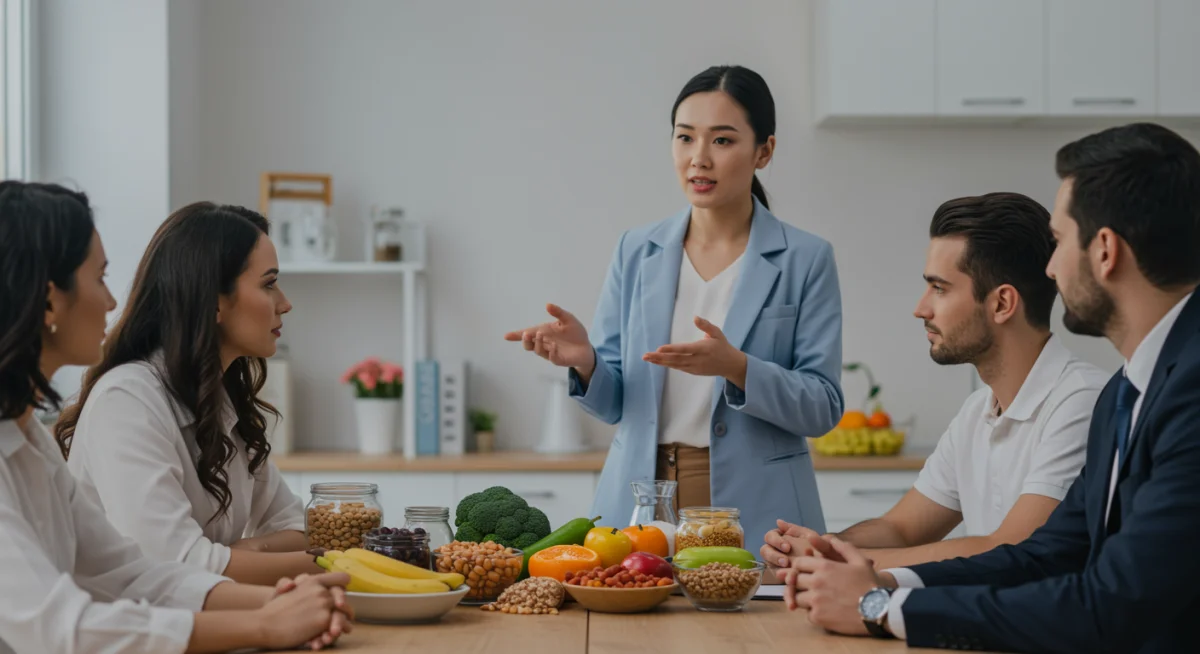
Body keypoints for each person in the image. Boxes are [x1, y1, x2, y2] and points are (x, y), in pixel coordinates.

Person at [784, 123, 1200, 653]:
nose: (1049, 267)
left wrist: (879, 607)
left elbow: (1110, 602)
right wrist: (875, 583)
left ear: (1104, 250)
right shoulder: (1127, 391)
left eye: (1059, 242)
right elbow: (1044, 555)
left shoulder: (1182, 392)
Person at [0, 181, 351, 653]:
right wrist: (265, 623)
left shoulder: (27, 440)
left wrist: (281, 602)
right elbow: (65, 629)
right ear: (48, 300)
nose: (110, 301)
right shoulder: (125, 399)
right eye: (100, 278)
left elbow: (133, 575)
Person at [505, 65, 844, 543]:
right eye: (685, 138)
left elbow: (823, 407)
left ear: (764, 151)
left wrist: (739, 367)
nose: (698, 158)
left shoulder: (806, 259)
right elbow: (617, 405)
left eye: (722, 141)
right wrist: (586, 363)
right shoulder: (636, 249)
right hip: (639, 499)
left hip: (757, 509)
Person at [762, 193, 1107, 572]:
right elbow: (900, 529)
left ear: (1002, 304)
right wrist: (821, 545)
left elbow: (1011, 550)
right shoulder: (977, 412)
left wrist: (843, 561)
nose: (921, 308)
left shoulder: (1081, 402)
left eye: (939, 288)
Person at [54, 202, 321, 586]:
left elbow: (295, 526)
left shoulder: (223, 399)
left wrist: (245, 553)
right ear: (213, 301)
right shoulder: (127, 401)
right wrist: (339, 564)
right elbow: (175, 567)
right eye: (268, 283)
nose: (284, 302)